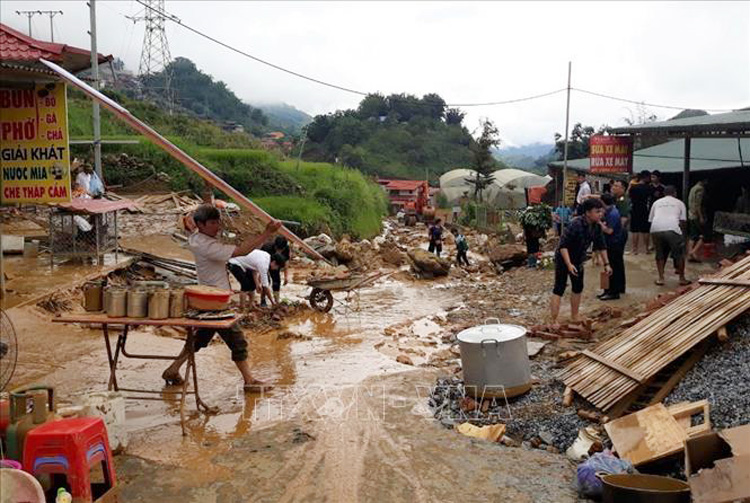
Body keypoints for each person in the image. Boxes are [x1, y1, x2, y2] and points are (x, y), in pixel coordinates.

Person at [162, 204, 281, 392]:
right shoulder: (207, 245)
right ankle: (249, 380)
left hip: (210, 298)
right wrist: (267, 233)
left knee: (199, 340)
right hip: (215, 302)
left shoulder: (198, 238)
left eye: (218, 221)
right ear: (200, 224)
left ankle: (173, 369)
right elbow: (240, 252)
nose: (218, 226)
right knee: (238, 341)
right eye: (212, 223)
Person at [550, 198, 611, 323]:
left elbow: (601, 246)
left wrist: (607, 264)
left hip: (578, 259)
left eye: (601, 211)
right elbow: (563, 245)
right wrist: (568, 264)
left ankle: (575, 315)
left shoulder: (596, 227)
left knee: (578, 287)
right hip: (563, 258)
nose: (600, 214)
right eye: (597, 211)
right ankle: (554, 319)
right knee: (559, 287)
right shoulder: (575, 224)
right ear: (588, 212)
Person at [649, 185, 690, 286]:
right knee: (679, 254)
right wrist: (683, 237)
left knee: (659, 254)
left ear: (664, 193)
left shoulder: (656, 202)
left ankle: (660, 278)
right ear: (675, 193)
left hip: (656, 228)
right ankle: (682, 278)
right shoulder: (680, 203)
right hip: (672, 228)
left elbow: (651, 219)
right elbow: (683, 221)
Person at [598, 193, 627, 300]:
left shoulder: (613, 214)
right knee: (617, 266)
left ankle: (612, 292)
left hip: (613, 242)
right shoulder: (610, 211)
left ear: (603, 203)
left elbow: (609, 231)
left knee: (610, 266)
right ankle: (611, 289)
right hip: (613, 242)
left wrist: (599, 223)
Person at [260, 235, 291, 306]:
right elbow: (260, 264)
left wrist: (286, 276)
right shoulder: (266, 247)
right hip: (265, 265)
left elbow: (286, 262)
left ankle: (276, 301)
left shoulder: (286, 248)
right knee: (266, 282)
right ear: (275, 245)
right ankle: (263, 300)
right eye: (277, 249)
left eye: (281, 250)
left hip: (276, 266)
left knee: (276, 282)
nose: (278, 251)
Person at [628, 170, 652, 254]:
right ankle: (647, 249)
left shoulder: (633, 187)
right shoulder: (649, 188)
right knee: (645, 230)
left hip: (634, 209)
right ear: (645, 177)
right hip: (645, 209)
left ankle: (634, 249)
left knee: (635, 230)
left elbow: (629, 196)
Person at [687, 179, 707, 262]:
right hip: (696, 215)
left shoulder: (693, 188)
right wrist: (701, 216)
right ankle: (692, 252)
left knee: (693, 235)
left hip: (691, 214)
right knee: (703, 236)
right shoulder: (700, 189)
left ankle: (690, 254)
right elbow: (698, 204)